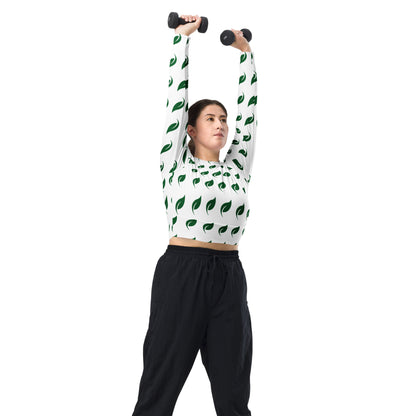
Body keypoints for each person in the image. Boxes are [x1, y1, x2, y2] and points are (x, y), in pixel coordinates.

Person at [131, 14, 258, 416]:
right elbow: (175, 98)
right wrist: (181, 42)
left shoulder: (237, 168)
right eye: (210, 118)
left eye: (223, 119)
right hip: (181, 273)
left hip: (229, 275)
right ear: (190, 130)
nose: (221, 124)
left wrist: (247, 57)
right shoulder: (176, 164)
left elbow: (251, 118)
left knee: (234, 396)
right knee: (159, 389)